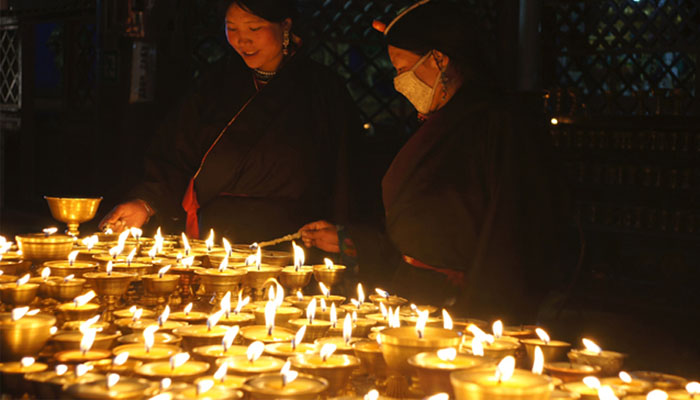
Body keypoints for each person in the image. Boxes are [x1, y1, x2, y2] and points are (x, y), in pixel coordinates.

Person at [300, 0, 574, 322]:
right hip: (417, 296)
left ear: (439, 59)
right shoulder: (444, 122)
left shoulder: (497, 124)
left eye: (402, 68)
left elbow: (511, 231)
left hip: (466, 306)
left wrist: (484, 311)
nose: (398, 81)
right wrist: (353, 241)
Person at [100, 0, 358, 243]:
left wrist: (346, 235)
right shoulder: (213, 85)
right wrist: (145, 203)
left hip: (293, 239)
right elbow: (176, 153)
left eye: (254, 28)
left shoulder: (321, 89)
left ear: (286, 26)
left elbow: (345, 170)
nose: (242, 39)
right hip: (214, 237)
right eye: (231, 28)